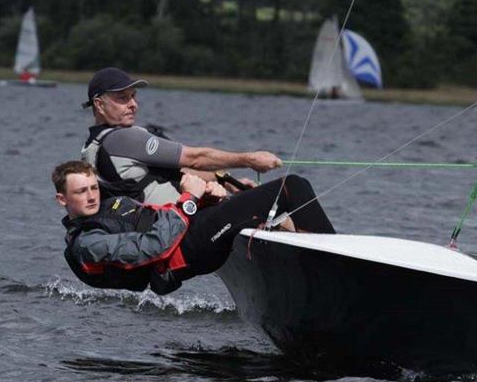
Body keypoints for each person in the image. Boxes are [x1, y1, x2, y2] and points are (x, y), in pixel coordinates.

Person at [53, 160, 334, 295]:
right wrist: (189, 199)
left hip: (193, 231)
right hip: (188, 251)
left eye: (93, 187)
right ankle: (332, 274)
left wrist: (204, 201)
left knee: (271, 208)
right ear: (62, 199)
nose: (91, 196)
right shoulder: (87, 243)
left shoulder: (107, 206)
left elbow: (160, 218)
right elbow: (152, 246)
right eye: (80, 192)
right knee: (292, 187)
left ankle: (315, 277)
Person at [80, 67, 283, 204]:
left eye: (133, 97)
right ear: (99, 104)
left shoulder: (94, 144)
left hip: (169, 219)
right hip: (178, 226)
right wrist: (250, 159)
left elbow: (178, 169)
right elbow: (195, 159)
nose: (133, 104)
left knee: (255, 196)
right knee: (291, 188)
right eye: (122, 98)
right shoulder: (123, 139)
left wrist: (227, 181)